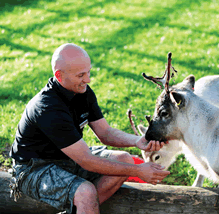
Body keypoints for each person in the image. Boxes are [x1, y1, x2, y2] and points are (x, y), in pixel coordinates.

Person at [9, 43, 170, 214]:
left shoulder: (82, 91)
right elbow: (86, 160)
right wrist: (138, 171)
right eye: (81, 75)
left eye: (89, 72)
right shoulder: (48, 108)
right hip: (34, 168)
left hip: (68, 158)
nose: (88, 79)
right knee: (85, 192)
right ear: (59, 75)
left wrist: (138, 141)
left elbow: (105, 133)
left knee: (125, 159)